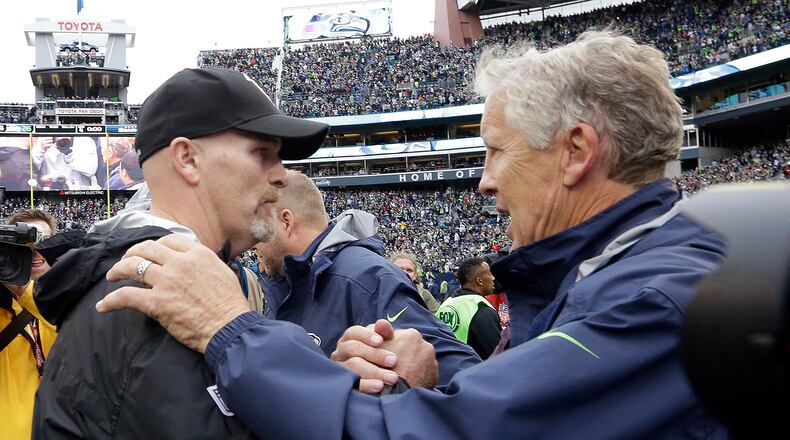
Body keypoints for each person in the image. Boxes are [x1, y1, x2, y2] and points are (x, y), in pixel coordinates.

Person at [97, 31, 730, 438]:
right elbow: (512, 400)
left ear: (574, 152)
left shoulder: (656, 299)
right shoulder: (619, 274)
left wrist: (230, 330)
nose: (483, 183)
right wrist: (431, 367)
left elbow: (446, 434)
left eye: (494, 152)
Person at [32, 68, 329, 438]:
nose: (282, 176)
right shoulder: (150, 295)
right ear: (187, 159)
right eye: (262, 152)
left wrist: (327, 382)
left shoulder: (172, 279)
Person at [254, 171, 476, 390]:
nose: (252, 243)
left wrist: (372, 396)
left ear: (286, 221)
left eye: (259, 230)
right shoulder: (284, 283)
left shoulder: (367, 277)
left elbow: (459, 375)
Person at [1, 209, 58, 440]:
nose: (35, 253)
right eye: (26, 245)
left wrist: (26, 291)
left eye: (44, 241)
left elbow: (71, 329)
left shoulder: (71, 303)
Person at [435, 257, 501, 359]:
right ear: (479, 281)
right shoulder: (480, 308)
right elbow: (497, 354)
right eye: (489, 273)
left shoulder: (445, 305)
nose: (493, 278)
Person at [32, 136, 98, 189]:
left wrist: (69, 153)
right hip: (50, 190)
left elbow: (91, 171)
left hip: (77, 190)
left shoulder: (84, 140)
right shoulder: (43, 140)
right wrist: (40, 149)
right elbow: (30, 171)